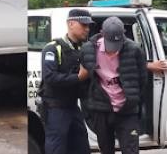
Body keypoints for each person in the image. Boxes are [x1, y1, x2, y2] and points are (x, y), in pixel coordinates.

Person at [81, 16, 147, 154]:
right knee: (106, 150)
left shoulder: (134, 50)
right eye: (111, 43)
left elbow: (142, 80)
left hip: (127, 110)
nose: (114, 50)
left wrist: (131, 99)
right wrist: (91, 105)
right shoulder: (88, 50)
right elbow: (86, 81)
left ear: (123, 33)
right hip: (101, 109)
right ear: (102, 33)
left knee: (131, 150)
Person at [39, 9, 93, 154]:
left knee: (81, 146)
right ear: (71, 24)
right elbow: (50, 78)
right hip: (55, 108)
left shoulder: (84, 49)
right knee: (57, 148)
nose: (87, 29)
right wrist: (78, 77)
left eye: (88, 26)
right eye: (83, 25)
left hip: (73, 106)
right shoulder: (52, 48)